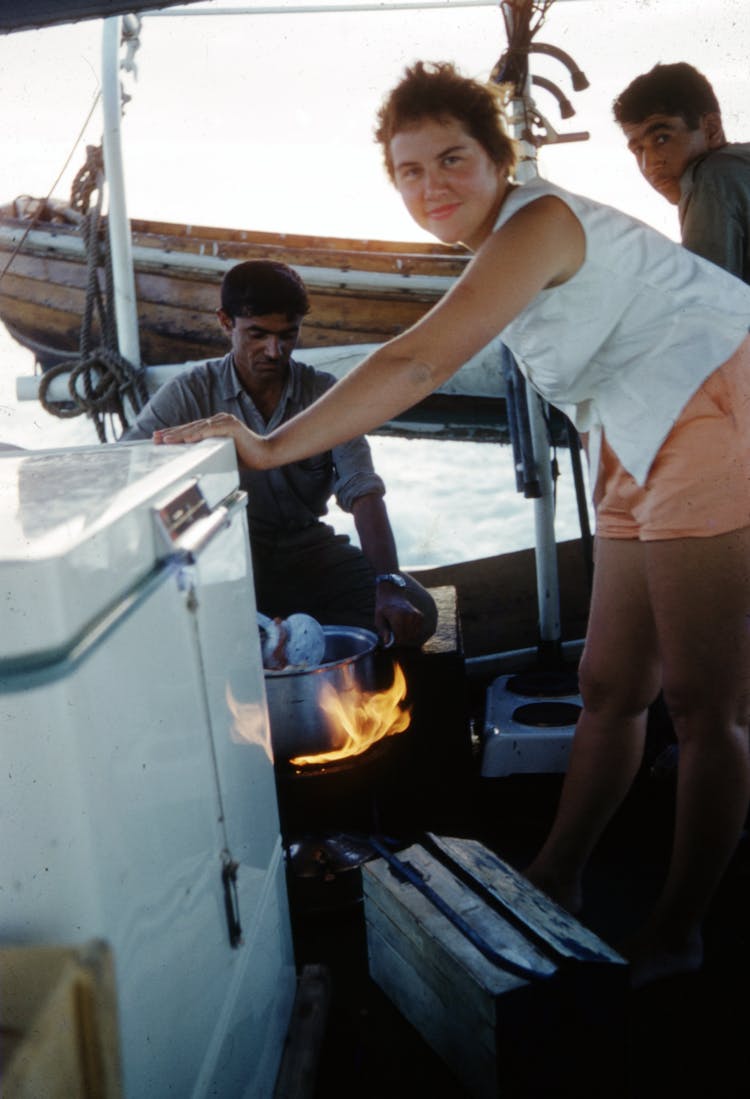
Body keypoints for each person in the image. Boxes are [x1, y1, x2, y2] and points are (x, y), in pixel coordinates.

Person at [151, 61, 750, 989]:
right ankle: (559, 873)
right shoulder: (498, 245)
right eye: (408, 172)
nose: (430, 188)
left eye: (451, 160)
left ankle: (678, 929)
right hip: (633, 426)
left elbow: (420, 358)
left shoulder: (538, 223)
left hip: (714, 406)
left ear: (501, 158)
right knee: (608, 682)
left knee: (706, 708)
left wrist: (266, 449)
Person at [122, 259, 437, 648]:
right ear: (225, 322)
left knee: (417, 612)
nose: (275, 350)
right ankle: (286, 643)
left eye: (288, 335)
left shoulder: (324, 393)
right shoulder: (187, 393)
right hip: (230, 560)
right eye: (257, 334)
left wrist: (388, 584)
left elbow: (363, 490)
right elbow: (125, 468)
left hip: (310, 552)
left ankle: (289, 644)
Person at [613, 61, 750, 283]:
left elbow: (708, 303)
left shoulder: (712, 176)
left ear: (711, 129)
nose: (649, 165)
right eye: (638, 150)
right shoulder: (740, 163)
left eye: (662, 138)